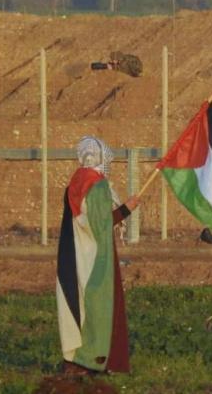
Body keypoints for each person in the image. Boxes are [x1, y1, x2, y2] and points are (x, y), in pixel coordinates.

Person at [56, 136, 140, 375]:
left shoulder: (75, 181)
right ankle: (93, 359)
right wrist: (127, 209)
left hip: (72, 253)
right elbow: (101, 224)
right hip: (96, 258)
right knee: (99, 305)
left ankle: (73, 358)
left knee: (77, 303)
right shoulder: (98, 185)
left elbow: (85, 221)